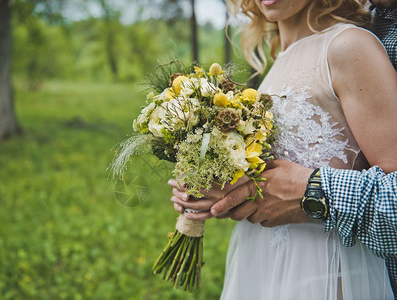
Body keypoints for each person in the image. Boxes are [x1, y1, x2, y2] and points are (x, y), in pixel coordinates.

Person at [168, 0, 397, 299]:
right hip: (263, 261)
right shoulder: (280, 58)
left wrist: (314, 193)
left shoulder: (348, 46)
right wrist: (224, 192)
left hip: (325, 270)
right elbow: (274, 175)